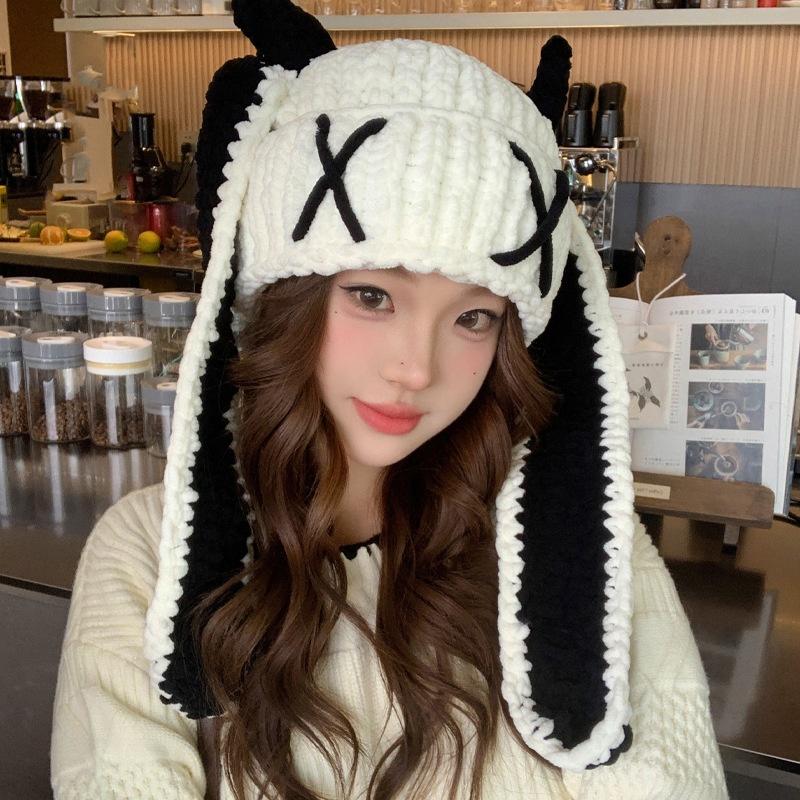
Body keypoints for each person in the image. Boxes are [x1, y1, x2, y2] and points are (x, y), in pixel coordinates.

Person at [50, 2, 729, 798]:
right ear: (284, 300)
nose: (416, 368)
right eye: (372, 296)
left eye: (473, 318)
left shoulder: (589, 551)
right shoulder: (144, 558)